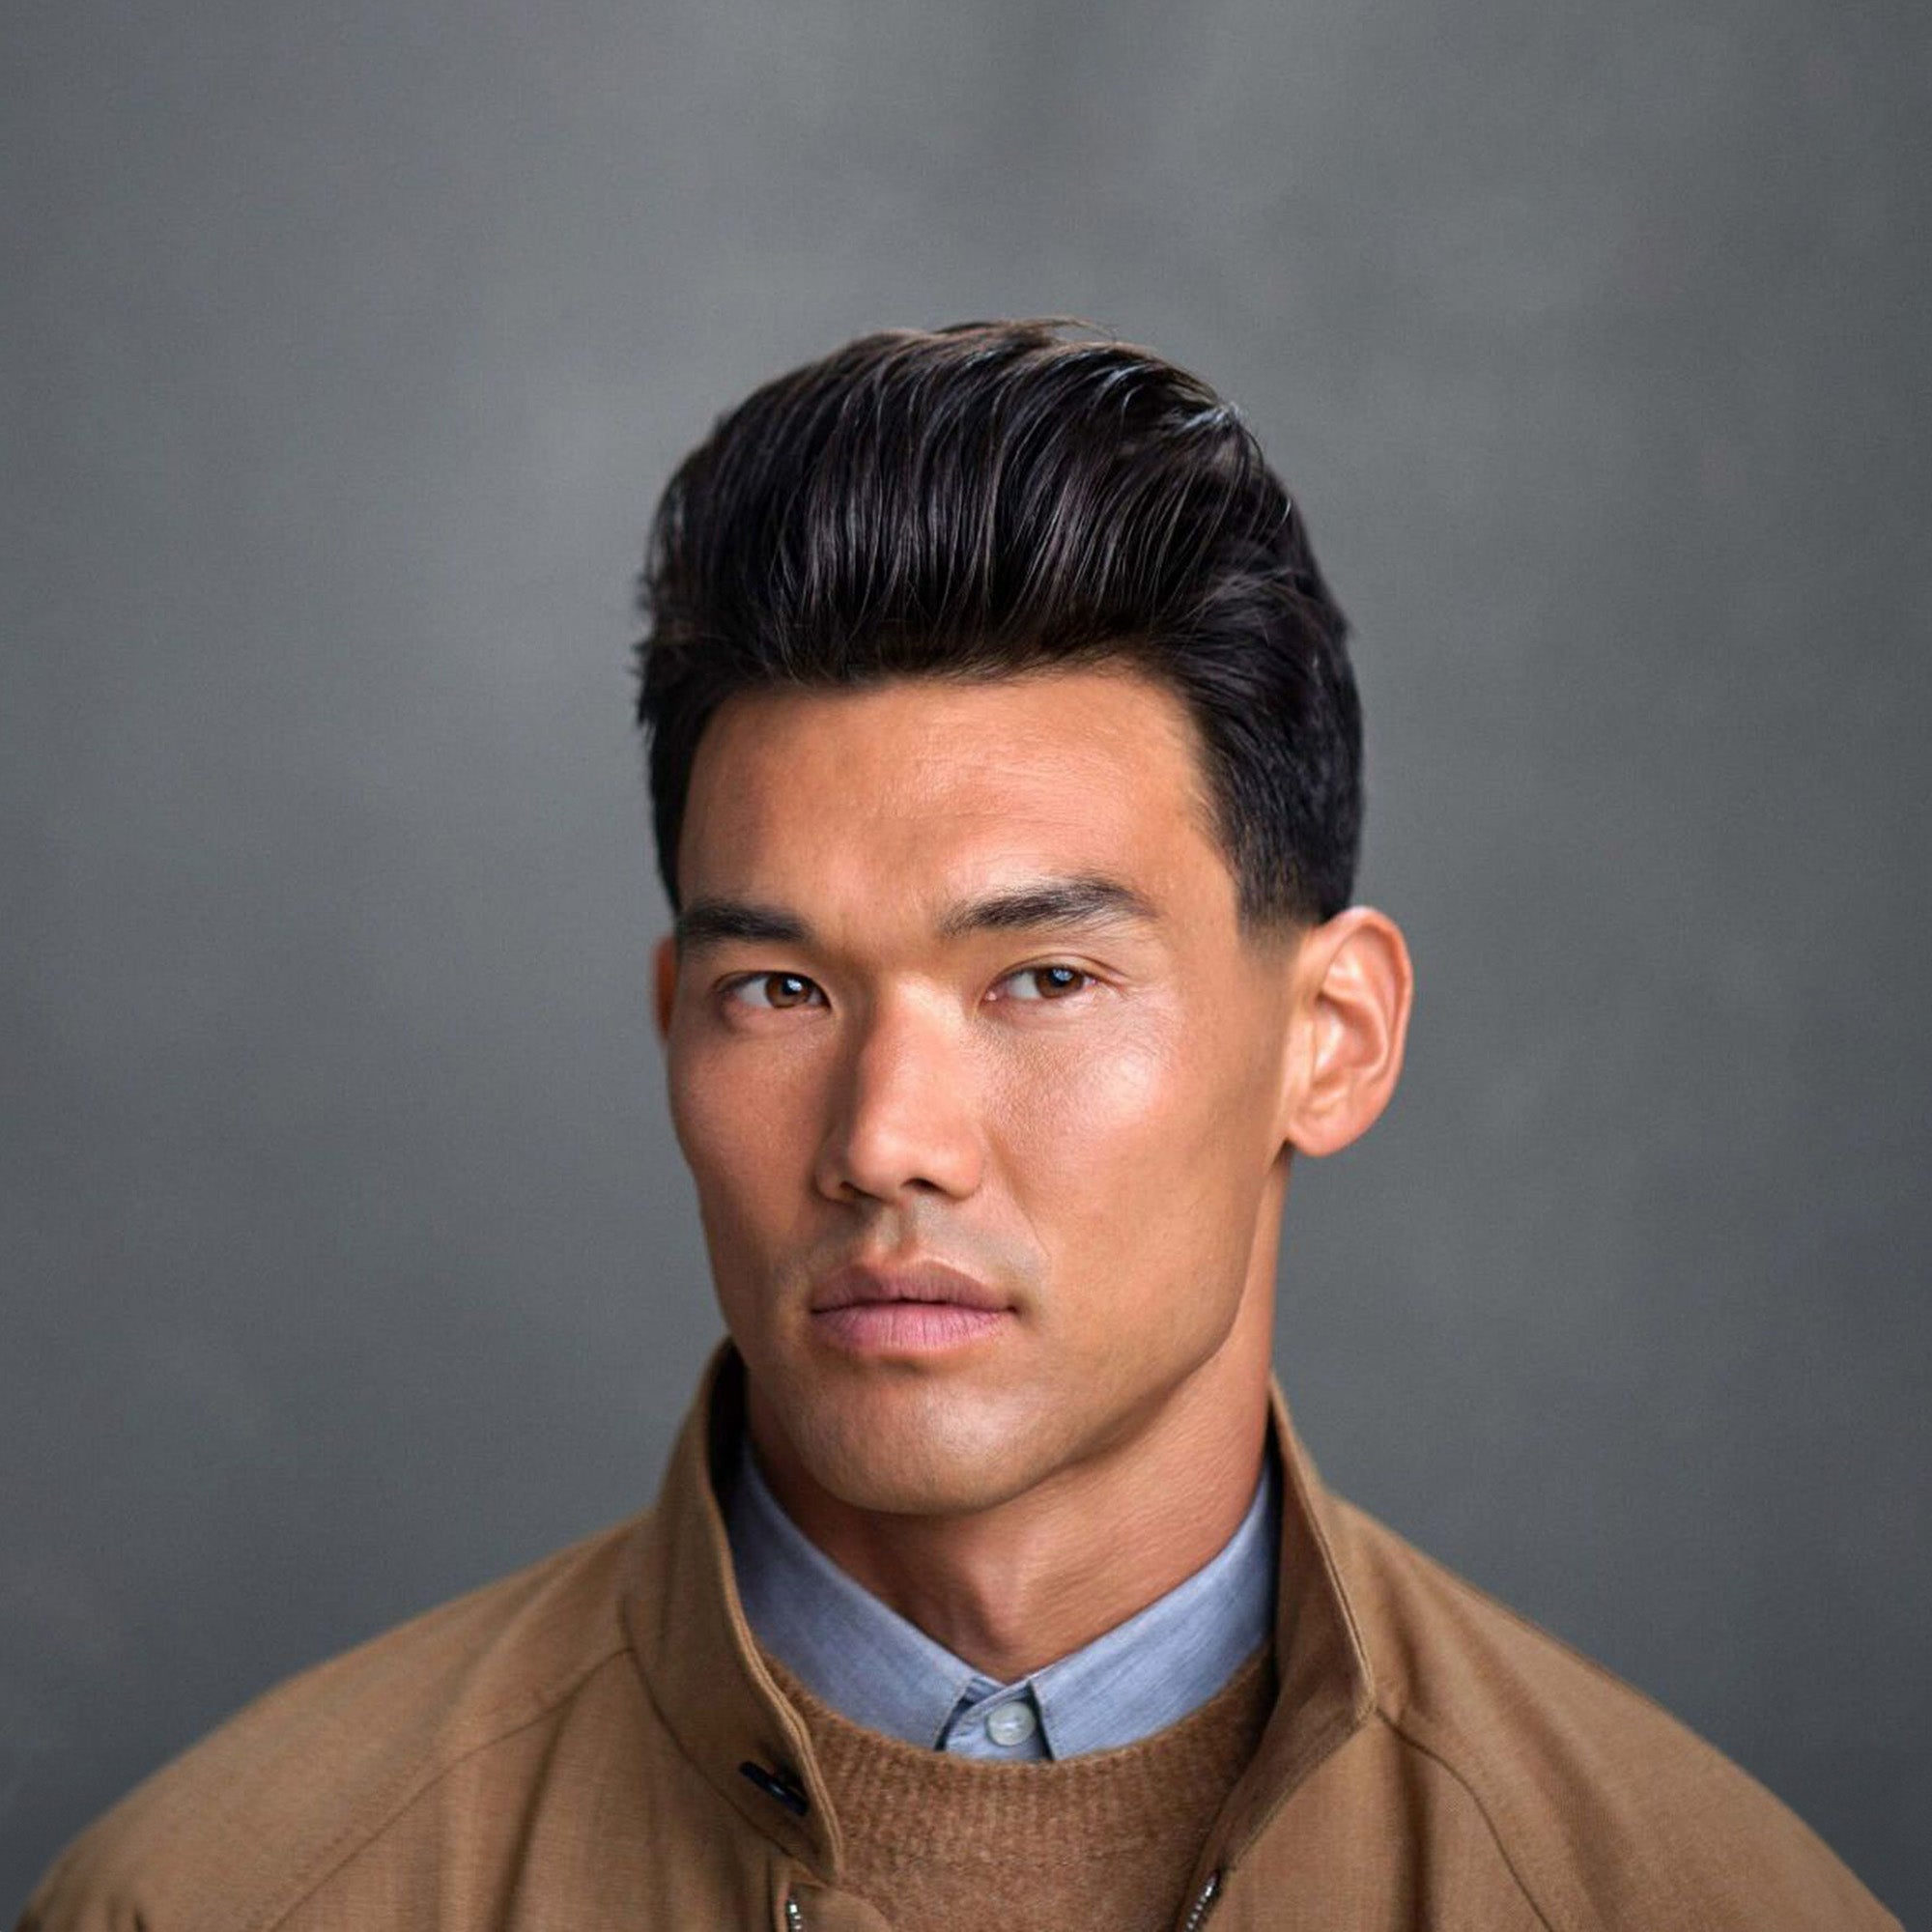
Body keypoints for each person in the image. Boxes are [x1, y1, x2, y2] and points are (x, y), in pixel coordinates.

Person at [19, 321, 1897, 1932]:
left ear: (1329, 1041)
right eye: (781, 990)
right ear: (672, 1027)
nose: (886, 1141)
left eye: (1044, 979)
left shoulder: (1683, 1899)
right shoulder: (229, 1900)